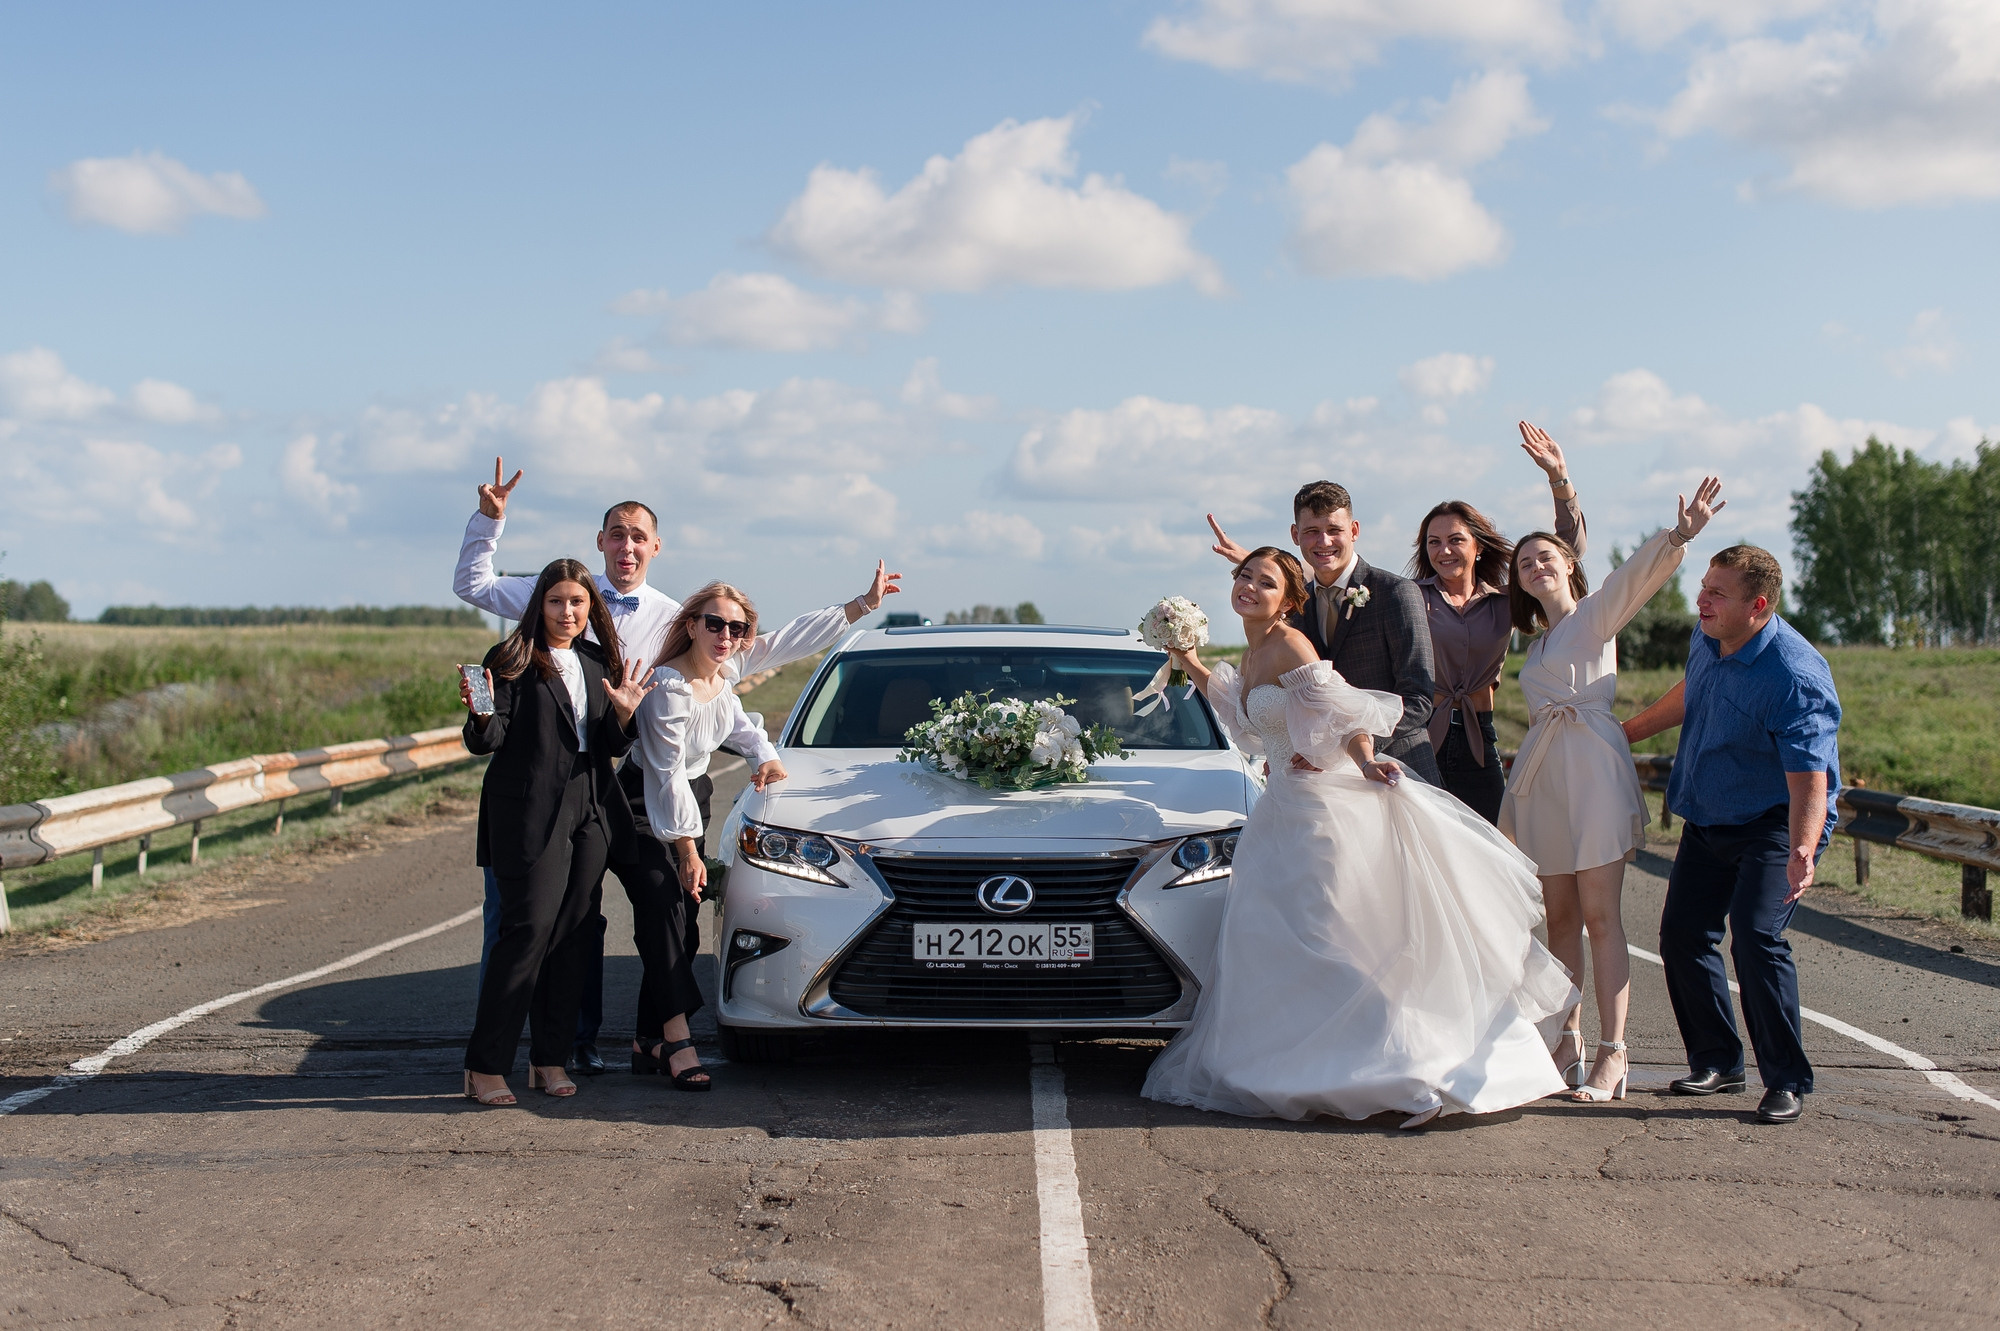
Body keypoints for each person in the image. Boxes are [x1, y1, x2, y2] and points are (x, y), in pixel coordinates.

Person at [452, 458, 900, 1073]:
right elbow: (473, 586)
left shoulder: (674, 618)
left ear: (655, 547)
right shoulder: (557, 594)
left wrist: (854, 609)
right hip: (562, 779)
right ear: (600, 542)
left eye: (639, 536)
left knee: (663, 912)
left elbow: (757, 653)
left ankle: (647, 1036)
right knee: (545, 923)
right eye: (617, 534)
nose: (627, 545)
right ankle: (552, 1049)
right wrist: (488, 521)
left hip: (637, 777)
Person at [1141, 547, 1576, 1129]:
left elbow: (1343, 712)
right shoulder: (1252, 652)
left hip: (1320, 810)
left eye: (1264, 581)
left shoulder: (1292, 644)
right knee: (1282, 943)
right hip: (1279, 812)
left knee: (1333, 937)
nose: (1248, 586)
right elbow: (1244, 722)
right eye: (1244, 576)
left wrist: (1368, 763)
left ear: (1289, 600)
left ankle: (1408, 1070)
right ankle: (1302, 1065)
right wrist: (1190, 660)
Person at [1500, 477, 1725, 1103]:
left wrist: (1679, 535)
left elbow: (1634, 578)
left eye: (1546, 556)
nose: (1535, 566)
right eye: (1524, 562)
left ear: (1569, 564)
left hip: (1594, 776)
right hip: (1545, 780)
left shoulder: (1595, 615)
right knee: (1561, 920)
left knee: (1602, 917)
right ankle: (1564, 1040)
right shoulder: (1538, 642)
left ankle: (1613, 1053)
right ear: (1517, 581)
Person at [1622, 546, 1840, 1125]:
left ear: (1758, 606)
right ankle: (1719, 1061)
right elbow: (1692, 690)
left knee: (1755, 937)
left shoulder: (1792, 675)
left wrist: (1802, 848)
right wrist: (1627, 733)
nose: (1703, 600)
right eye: (1705, 587)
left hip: (1775, 821)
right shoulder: (1710, 634)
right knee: (1682, 936)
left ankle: (1787, 1080)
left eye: (1718, 593)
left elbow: (1809, 779)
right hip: (1710, 815)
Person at [460, 560, 656, 1106]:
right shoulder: (512, 660)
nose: (567, 613)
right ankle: (484, 1066)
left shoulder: (598, 661)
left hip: (589, 811)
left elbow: (612, 746)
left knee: (572, 940)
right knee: (526, 935)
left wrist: (623, 716)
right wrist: (479, 714)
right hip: (528, 816)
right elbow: (488, 738)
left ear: (590, 607)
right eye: (556, 602)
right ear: (538, 605)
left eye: (577, 602)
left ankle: (549, 1059)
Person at [622, 582, 790, 1089]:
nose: (724, 635)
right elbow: (665, 774)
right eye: (714, 623)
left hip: (690, 800)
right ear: (692, 625)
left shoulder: (719, 682)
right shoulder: (669, 689)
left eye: (736, 628)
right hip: (639, 803)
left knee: (687, 920)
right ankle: (678, 1042)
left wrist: (767, 757)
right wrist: (688, 851)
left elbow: (741, 728)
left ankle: (646, 1039)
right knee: (664, 914)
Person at [1411, 422, 1588, 824]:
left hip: (1480, 739)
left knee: (1495, 849)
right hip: (1420, 739)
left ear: (1477, 546)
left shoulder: (1505, 600)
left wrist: (1559, 479)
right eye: (1433, 542)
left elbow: (1566, 553)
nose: (1444, 550)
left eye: (1455, 539)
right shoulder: (1409, 597)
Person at [1208, 483, 1442, 784]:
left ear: (1354, 530)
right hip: (1317, 780)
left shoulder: (1396, 593)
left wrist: (1337, 750)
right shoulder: (1294, 604)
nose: (1324, 541)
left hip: (1397, 770)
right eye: (1311, 531)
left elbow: (1418, 698)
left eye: (1334, 529)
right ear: (1295, 535)